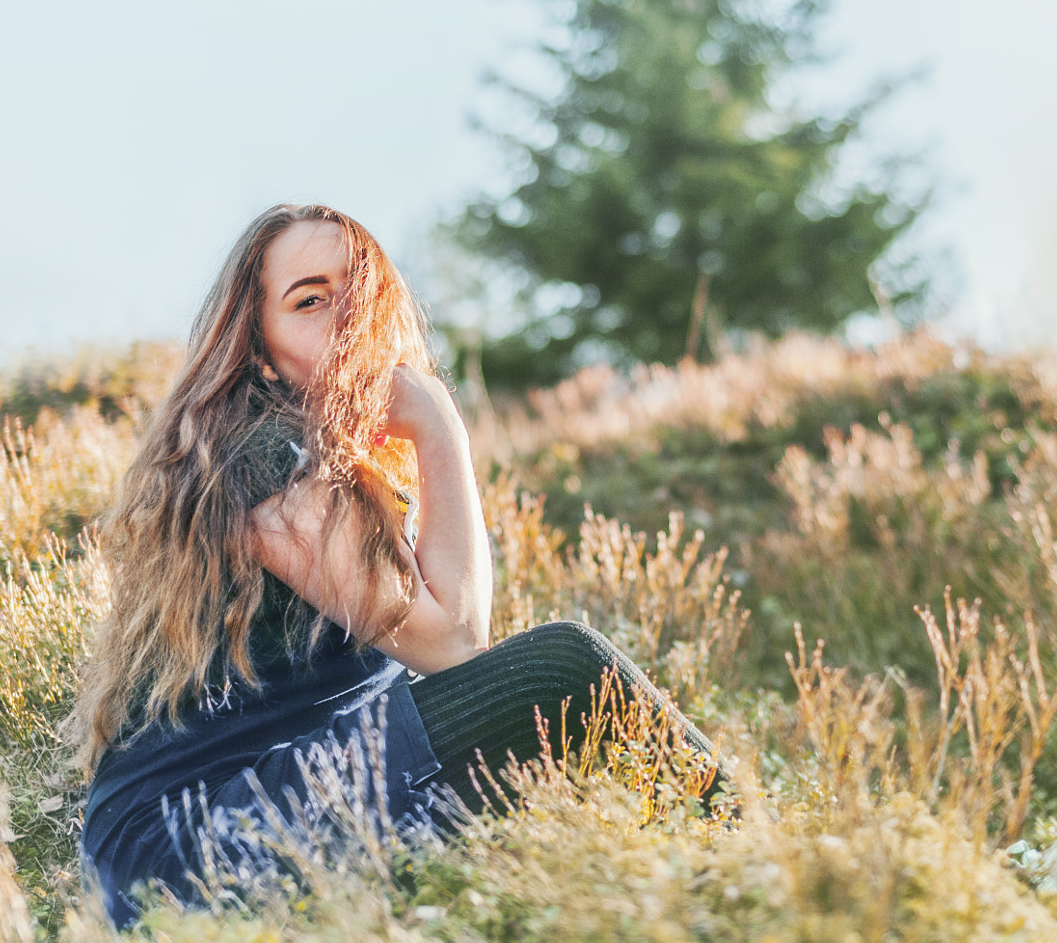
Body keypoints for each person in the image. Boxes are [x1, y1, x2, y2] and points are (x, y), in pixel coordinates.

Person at [69, 204, 724, 929]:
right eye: (310, 301)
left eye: (360, 295)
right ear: (261, 349)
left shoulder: (331, 462)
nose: (345, 320)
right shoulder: (262, 455)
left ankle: (700, 893)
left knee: (532, 782)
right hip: (189, 847)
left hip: (272, 795)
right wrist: (440, 425)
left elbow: (448, 631)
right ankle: (757, 856)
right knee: (562, 672)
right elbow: (454, 643)